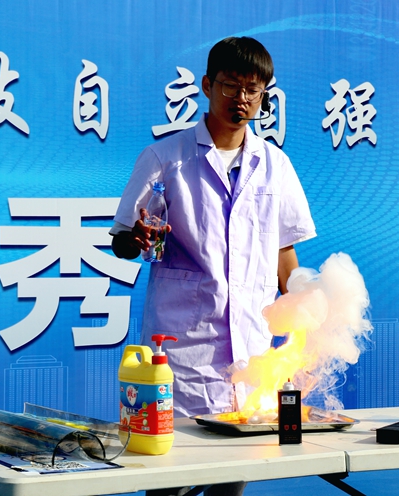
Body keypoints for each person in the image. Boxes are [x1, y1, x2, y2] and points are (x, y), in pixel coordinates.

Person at [111, 34, 315, 424]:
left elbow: (284, 252)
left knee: (244, 456)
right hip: (182, 352)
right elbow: (123, 240)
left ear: (263, 96)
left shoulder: (276, 165)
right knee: (176, 457)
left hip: (252, 351)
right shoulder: (164, 158)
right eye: (231, 86)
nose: (241, 98)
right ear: (207, 85)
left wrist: (302, 328)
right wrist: (135, 239)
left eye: (252, 90)